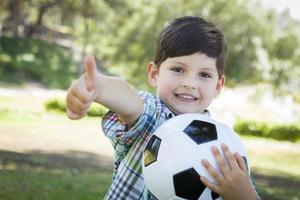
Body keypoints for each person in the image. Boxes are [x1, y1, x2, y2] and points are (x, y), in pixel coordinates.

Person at [66, 16, 260, 200]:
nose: (189, 83)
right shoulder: (151, 116)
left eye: (204, 75)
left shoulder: (224, 146)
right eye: (178, 70)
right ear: (154, 74)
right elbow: (128, 100)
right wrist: (99, 88)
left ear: (218, 85)